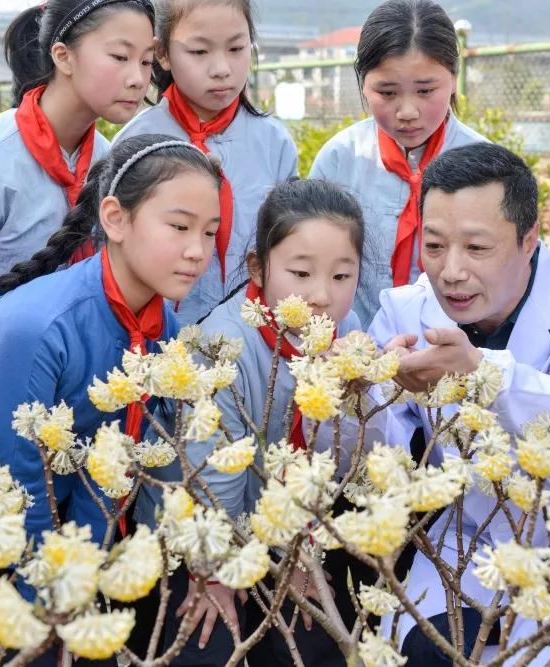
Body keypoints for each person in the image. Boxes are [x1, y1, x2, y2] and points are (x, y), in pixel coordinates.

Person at [0, 134, 221, 664]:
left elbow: (116, 463)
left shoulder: (162, 325)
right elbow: (16, 480)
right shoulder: (36, 328)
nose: (197, 250)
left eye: (209, 232)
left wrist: (83, 573)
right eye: (179, 227)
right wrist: (52, 599)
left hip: (62, 532)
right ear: (116, 218)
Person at [370, 142, 550, 664]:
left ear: (530, 240)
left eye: (477, 248)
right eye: (433, 246)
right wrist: (364, 394)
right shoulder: (404, 311)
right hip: (472, 538)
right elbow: (369, 462)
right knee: (416, 653)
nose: (451, 271)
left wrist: (484, 374)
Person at [166, 179, 368, 666]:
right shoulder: (222, 346)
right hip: (209, 533)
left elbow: (340, 462)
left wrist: (302, 550)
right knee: (212, 645)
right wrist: (213, 573)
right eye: (300, 273)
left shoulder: (349, 330)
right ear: (258, 266)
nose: (322, 296)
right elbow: (212, 481)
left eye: (342, 276)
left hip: (303, 531)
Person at [0, 0, 156, 317]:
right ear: (64, 57)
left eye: (146, 61)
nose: (138, 79)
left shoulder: (106, 158)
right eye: (120, 57)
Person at [113, 0, 298, 325]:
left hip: (249, 333)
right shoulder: (136, 143)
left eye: (237, 48)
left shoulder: (273, 142)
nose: (221, 69)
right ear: (163, 54)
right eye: (199, 52)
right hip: (155, 333)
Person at [309, 0, 485, 326]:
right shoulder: (338, 161)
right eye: (387, 93)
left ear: (453, 78)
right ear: (363, 82)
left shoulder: (487, 166)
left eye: (425, 90)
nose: (407, 111)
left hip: (455, 346)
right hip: (353, 348)